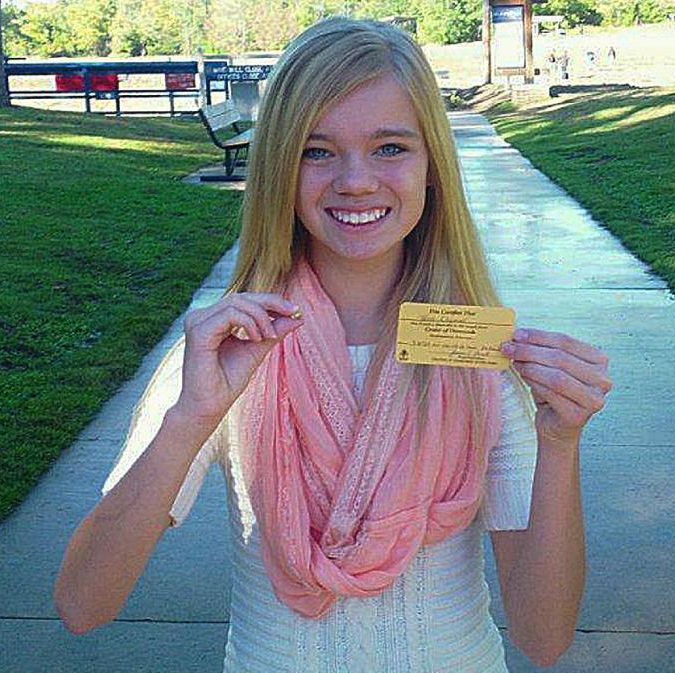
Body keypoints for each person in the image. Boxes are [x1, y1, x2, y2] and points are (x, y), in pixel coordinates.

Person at [53, 16, 613, 672]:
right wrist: (189, 418)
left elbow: (544, 636)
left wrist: (560, 443)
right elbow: (82, 602)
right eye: (317, 151)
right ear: (280, 171)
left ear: (433, 165)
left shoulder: (482, 366)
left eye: (391, 148)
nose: (355, 180)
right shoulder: (225, 355)